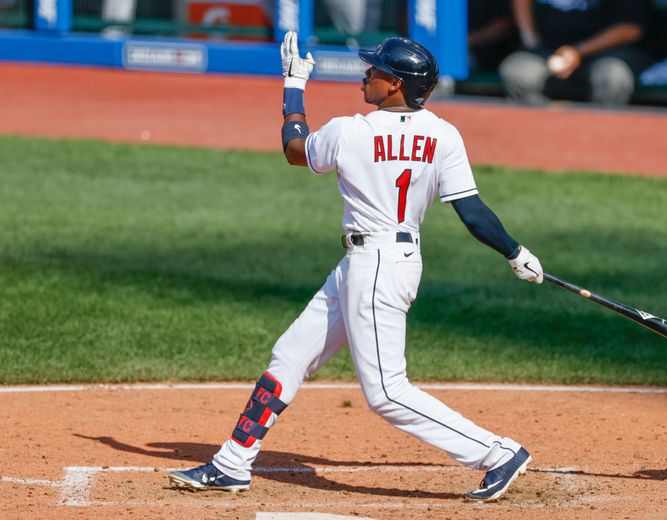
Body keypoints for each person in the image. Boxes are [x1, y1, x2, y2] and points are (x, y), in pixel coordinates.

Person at [168, 31, 545, 502]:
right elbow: (471, 211)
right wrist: (515, 252)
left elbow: (294, 149)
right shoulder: (444, 134)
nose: (366, 75)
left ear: (397, 85)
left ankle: (497, 453)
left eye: (377, 71)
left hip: (376, 269)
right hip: (382, 262)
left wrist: (292, 86)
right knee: (290, 354)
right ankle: (232, 462)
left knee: (387, 392)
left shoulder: (351, 131)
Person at [499, 0, 654, 107]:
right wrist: (530, 39)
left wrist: (577, 52)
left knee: (613, 76)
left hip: (605, 53)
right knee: (517, 72)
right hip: (548, 52)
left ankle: (601, 140)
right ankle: (542, 136)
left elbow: (631, 29)